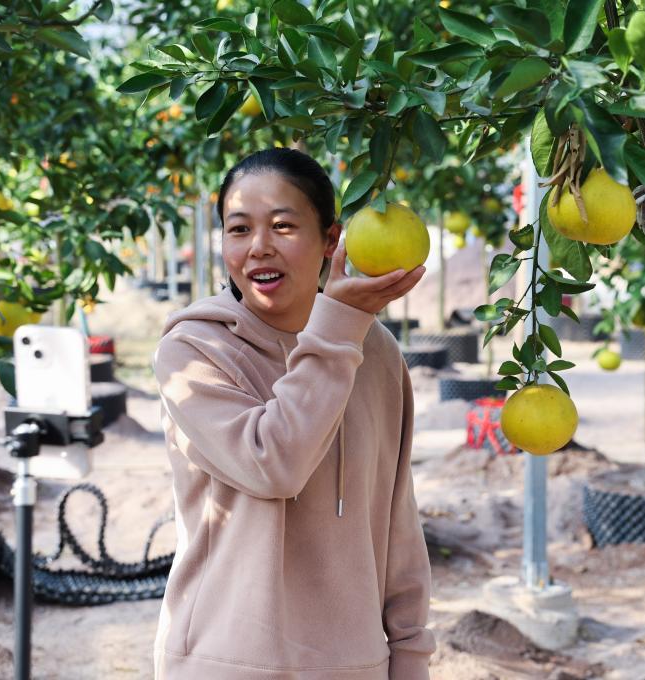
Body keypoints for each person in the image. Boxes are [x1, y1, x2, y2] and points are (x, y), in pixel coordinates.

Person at [152, 148, 436, 679]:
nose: (258, 247)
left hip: (354, 665)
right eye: (238, 229)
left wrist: (411, 655)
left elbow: (396, 518)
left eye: (283, 226)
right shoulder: (192, 353)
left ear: (331, 240)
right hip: (228, 662)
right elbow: (273, 463)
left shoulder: (375, 354)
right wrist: (339, 327)